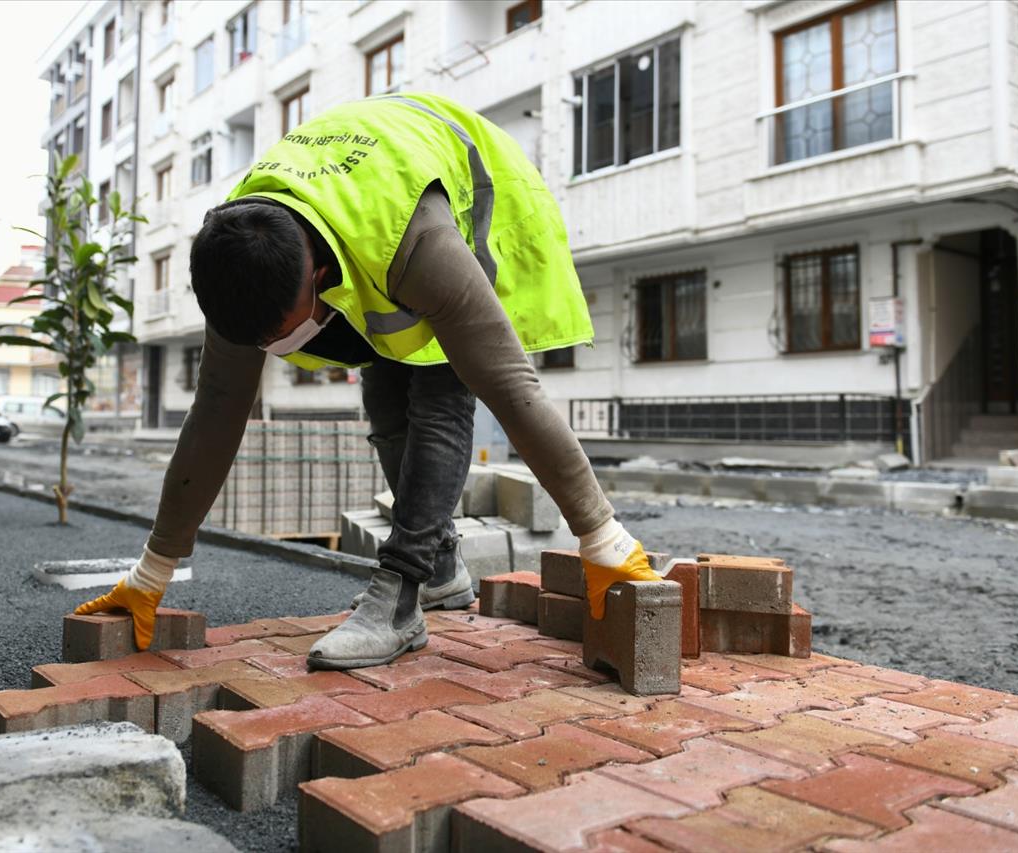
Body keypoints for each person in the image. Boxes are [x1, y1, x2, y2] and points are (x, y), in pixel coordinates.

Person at [75, 92, 661, 669]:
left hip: (479, 200)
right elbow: (217, 409)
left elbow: (510, 386)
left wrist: (601, 537)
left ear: (321, 276)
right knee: (382, 390)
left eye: (277, 335)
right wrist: (152, 570)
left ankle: (401, 598)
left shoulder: (418, 245)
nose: (269, 353)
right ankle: (439, 572)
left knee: (438, 390)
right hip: (367, 192)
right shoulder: (239, 248)